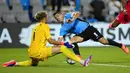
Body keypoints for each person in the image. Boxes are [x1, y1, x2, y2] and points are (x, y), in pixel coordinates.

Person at [2, 11, 92, 67]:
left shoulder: (35, 27)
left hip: (31, 51)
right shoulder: (45, 26)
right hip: (39, 51)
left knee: (34, 63)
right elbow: (50, 40)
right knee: (62, 49)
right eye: (46, 16)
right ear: (44, 18)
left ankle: (15, 63)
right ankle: (83, 62)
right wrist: (64, 44)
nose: (47, 17)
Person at [53, 11, 129, 54]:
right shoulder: (62, 29)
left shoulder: (68, 15)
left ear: (61, 15)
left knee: (104, 42)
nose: (58, 18)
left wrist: (72, 19)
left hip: (88, 29)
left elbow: (78, 13)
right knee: (72, 41)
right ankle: (78, 58)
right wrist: (52, 49)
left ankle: (121, 45)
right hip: (81, 34)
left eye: (58, 16)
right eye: (56, 18)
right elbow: (59, 41)